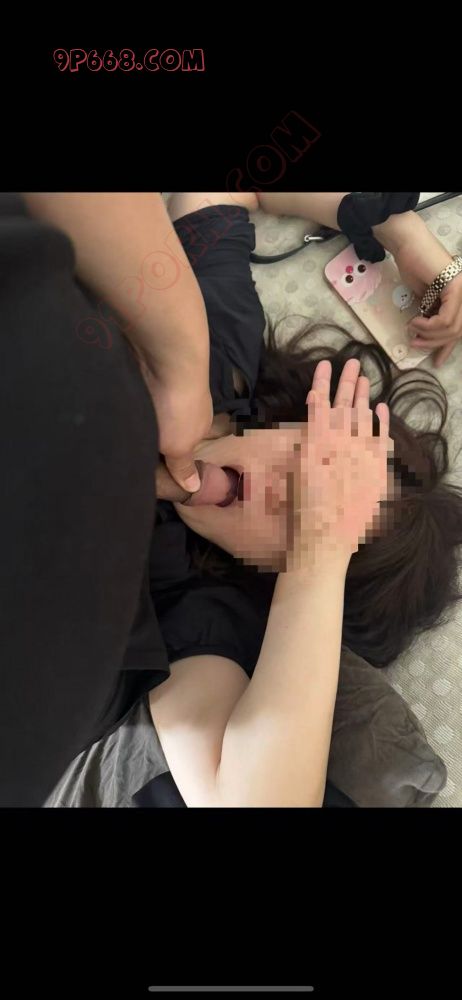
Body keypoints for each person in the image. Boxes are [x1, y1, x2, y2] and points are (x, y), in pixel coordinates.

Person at [135, 192, 462, 807]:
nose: (276, 489)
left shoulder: (199, 606)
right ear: (295, 422)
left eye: (302, 521)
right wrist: (403, 235)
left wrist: (319, 560)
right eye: (310, 466)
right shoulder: (222, 358)